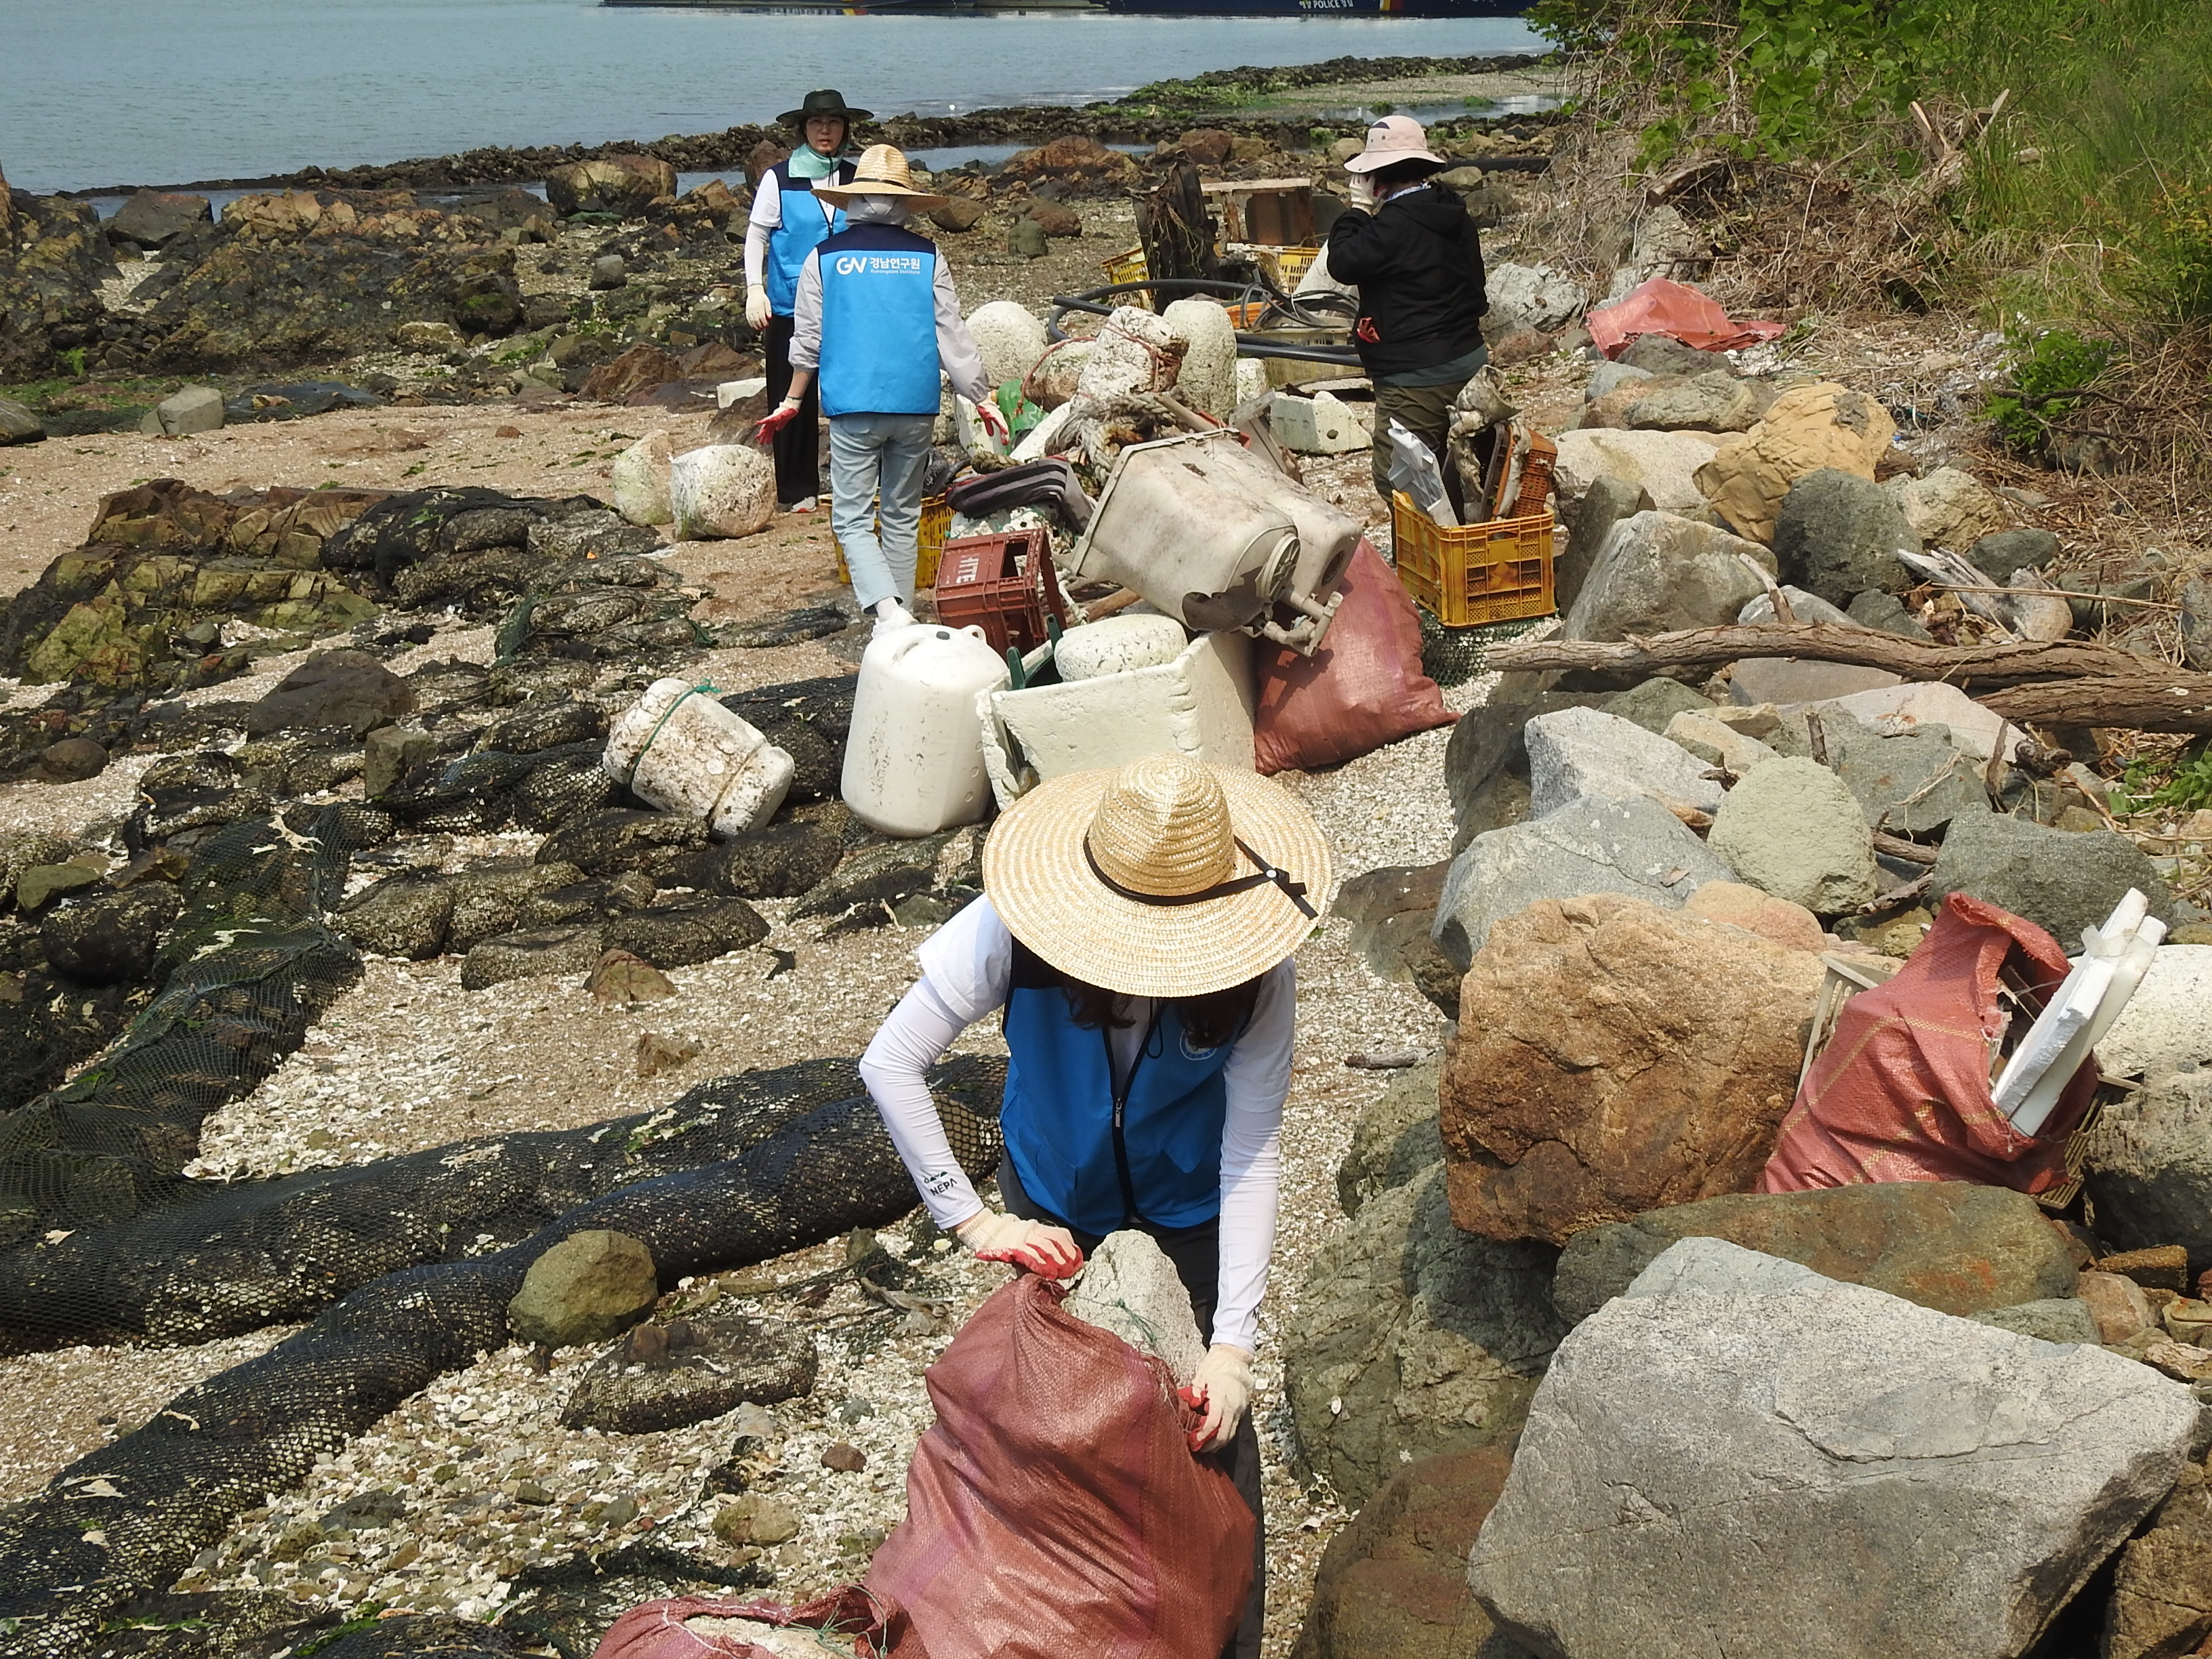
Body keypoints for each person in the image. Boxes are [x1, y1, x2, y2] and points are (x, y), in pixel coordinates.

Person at [859, 752, 1332, 1659]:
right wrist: (973, 1220)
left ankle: (1224, 1639)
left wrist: (1233, 1348)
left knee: (1209, 1434)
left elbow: (1251, 1149)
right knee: (1055, 1413)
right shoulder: (1010, 927)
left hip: (1187, 1211)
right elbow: (891, 1062)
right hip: (1051, 1202)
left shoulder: (1258, 975)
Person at [761, 144, 1003, 632]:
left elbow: (808, 341)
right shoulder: (927, 255)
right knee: (902, 513)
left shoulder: (823, 257)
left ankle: (888, 613)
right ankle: (902, 616)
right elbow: (951, 334)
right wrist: (980, 396)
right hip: (915, 404)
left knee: (851, 517)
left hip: (853, 403)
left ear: (853, 200)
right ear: (904, 203)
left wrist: (792, 400)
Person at [1323, 115, 1490, 516]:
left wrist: (1358, 208)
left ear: (1377, 178)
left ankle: (1433, 550)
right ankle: (1465, 536)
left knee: (1398, 478)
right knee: (1462, 466)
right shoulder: (1452, 210)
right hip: (1468, 358)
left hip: (1415, 374)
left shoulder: (1391, 226)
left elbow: (1342, 262)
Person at [743, 89, 865, 514]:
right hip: (789, 306)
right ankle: (796, 490)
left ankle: (855, 481)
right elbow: (757, 235)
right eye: (816, 122)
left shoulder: (857, 177)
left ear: (845, 128)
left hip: (847, 306)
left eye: (833, 122)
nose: (825, 130)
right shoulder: (779, 178)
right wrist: (754, 289)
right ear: (803, 129)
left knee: (851, 393)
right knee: (790, 397)